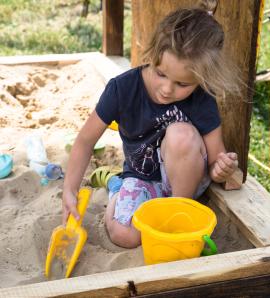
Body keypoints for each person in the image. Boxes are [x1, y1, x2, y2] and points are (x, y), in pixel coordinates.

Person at [62, 7, 240, 249]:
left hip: (186, 182)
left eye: (182, 84)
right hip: (142, 178)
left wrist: (222, 168)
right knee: (124, 236)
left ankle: (176, 213)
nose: (167, 89)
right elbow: (84, 142)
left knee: (181, 135)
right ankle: (117, 187)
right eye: (161, 74)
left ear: (201, 79)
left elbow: (215, 160)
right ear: (153, 55)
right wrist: (70, 190)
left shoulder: (202, 99)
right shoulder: (122, 89)